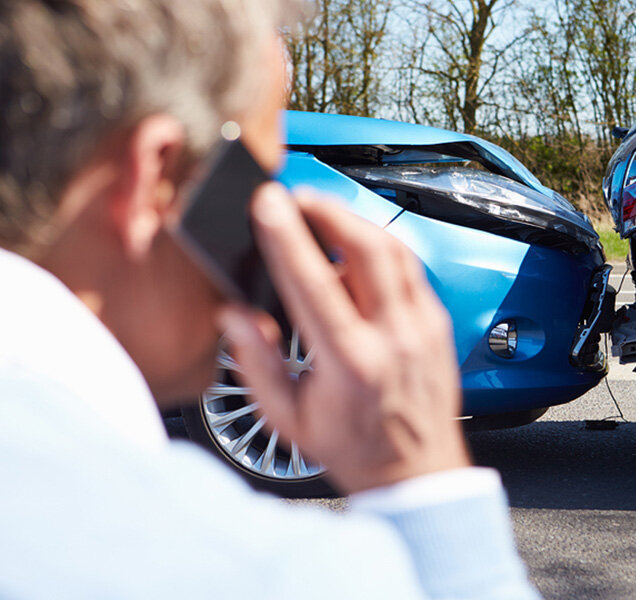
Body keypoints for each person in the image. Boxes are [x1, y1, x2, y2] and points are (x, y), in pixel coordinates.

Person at [0, 1, 540, 598]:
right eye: (255, 179)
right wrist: (419, 476)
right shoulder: (210, 560)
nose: (264, 217)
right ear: (155, 177)